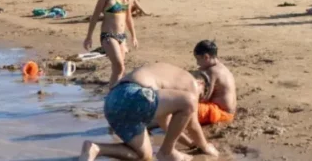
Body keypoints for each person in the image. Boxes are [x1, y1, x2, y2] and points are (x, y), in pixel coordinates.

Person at [79, 63, 218, 161]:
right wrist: (205, 146)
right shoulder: (192, 82)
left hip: (112, 102)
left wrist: (191, 144)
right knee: (189, 101)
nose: (198, 101)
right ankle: (166, 153)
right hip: (133, 93)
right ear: (201, 84)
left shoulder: (170, 80)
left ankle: (95, 148)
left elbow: (165, 124)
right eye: (201, 96)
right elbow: (192, 123)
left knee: (143, 155)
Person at [84, 0, 139, 87]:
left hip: (121, 37)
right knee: (120, 67)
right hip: (108, 36)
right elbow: (94, 17)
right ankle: (111, 94)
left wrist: (134, 36)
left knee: (119, 70)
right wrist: (88, 37)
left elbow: (129, 18)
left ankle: (114, 92)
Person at [193, 40, 237, 124]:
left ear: (206, 57)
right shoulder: (221, 67)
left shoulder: (212, 72)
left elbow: (205, 98)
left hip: (220, 112)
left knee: (184, 107)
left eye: (198, 59)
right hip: (229, 112)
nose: (197, 63)